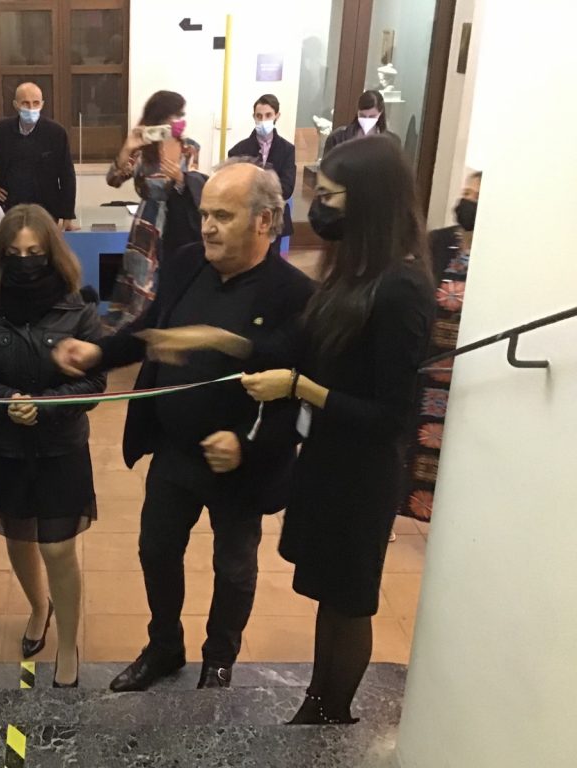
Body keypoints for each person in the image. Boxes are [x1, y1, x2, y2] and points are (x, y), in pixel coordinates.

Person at [53, 161, 314, 691]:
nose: (208, 227)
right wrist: (98, 353)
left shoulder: (295, 294)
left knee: (234, 567)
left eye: (223, 216)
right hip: (174, 451)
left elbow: (299, 396)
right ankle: (164, 647)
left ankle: (219, 661)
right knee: (156, 550)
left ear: (265, 221)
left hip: (240, 464)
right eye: (205, 214)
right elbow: (151, 331)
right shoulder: (187, 261)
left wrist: (246, 444)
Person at [240, 135, 435, 724]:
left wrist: (300, 388)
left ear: (368, 200)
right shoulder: (351, 272)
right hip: (327, 459)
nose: (317, 207)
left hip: (363, 472)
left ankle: (332, 713)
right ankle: (317, 704)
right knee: (328, 592)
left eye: (329, 196)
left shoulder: (401, 288)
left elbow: (391, 416)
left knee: (350, 601)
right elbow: (306, 347)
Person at [0, 204, 106, 687]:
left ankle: (68, 646)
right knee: (19, 539)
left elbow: (95, 383)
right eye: (15, 254)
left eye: (35, 252)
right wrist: (7, 402)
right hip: (4, 447)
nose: (25, 262)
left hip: (60, 447)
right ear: (1, 255)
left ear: (52, 254)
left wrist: (46, 405)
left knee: (58, 550)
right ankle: (39, 608)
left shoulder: (78, 309)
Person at [399, 171, 482, 522]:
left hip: (468, 370)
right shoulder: (438, 242)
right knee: (413, 440)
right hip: (427, 363)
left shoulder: (501, 255)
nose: (466, 201)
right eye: (465, 192)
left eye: (475, 196)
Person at [104, 90, 206, 330]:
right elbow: (114, 179)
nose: (177, 121)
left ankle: (169, 328)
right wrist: (127, 147)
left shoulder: (190, 148)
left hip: (179, 223)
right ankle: (137, 333)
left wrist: (181, 178)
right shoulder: (143, 148)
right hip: (148, 223)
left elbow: (194, 187)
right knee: (142, 280)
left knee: (175, 275)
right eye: (172, 115)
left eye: (180, 115)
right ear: (159, 118)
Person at [0, 82, 77, 229]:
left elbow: (67, 174)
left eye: (36, 103)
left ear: (42, 104)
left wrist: (67, 214)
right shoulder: (1, 129)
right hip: (6, 208)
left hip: (45, 210)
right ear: (16, 105)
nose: (31, 108)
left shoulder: (56, 133)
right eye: (25, 103)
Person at [228, 94, 296, 259]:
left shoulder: (287, 150)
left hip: (275, 217)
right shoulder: (238, 151)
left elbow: (287, 187)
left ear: (277, 116)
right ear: (254, 117)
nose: (263, 120)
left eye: (268, 115)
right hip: (247, 217)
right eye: (259, 116)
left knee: (272, 263)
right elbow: (234, 186)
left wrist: (259, 190)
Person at [324, 90, 400, 155]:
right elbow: (327, 165)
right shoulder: (337, 138)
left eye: (372, 116)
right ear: (357, 111)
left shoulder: (392, 142)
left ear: (380, 113)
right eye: (362, 115)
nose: (367, 119)